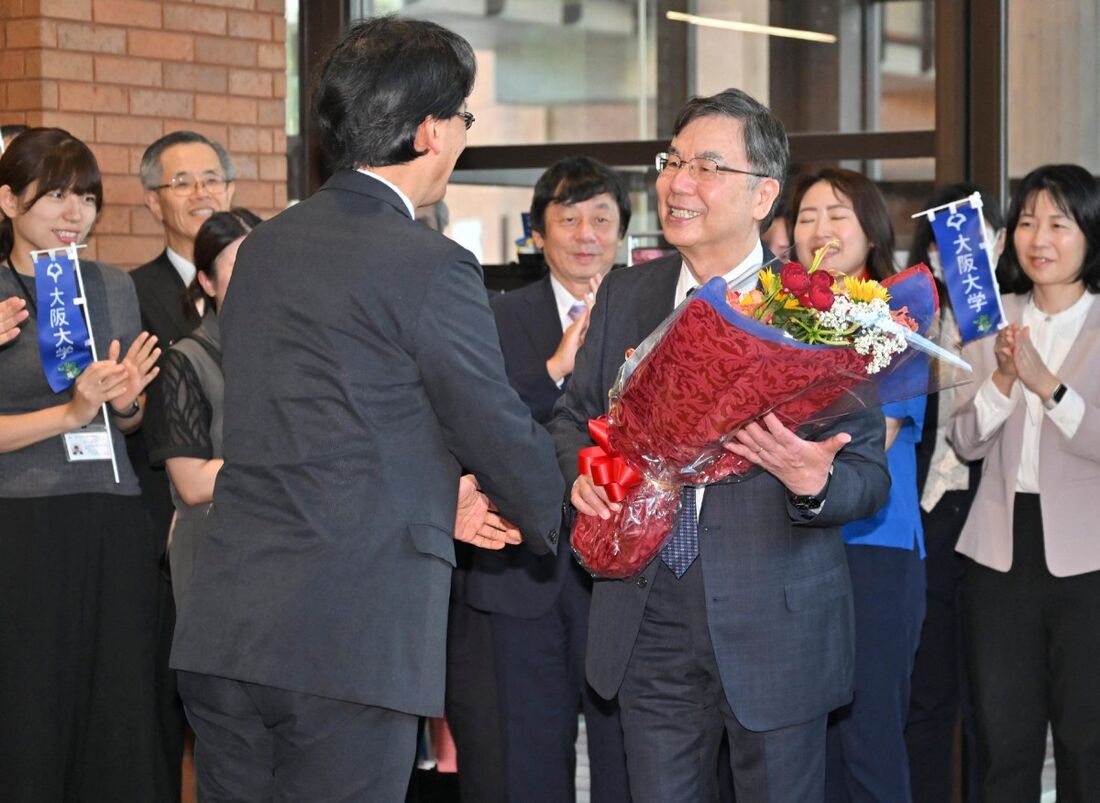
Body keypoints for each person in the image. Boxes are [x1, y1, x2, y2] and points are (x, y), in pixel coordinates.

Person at [170, 17, 565, 801]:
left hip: (226, 628)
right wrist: (560, 507)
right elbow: (486, 419)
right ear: (428, 131)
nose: (462, 135)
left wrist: (430, 489)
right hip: (350, 638)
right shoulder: (429, 263)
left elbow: (309, 422)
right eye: (462, 118)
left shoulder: (268, 247)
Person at [551, 89, 891, 803]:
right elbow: (570, 420)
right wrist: (580, 478)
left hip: (776, 625)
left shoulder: (821, 310)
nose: (678, 183)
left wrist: (813, 481)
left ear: (763, 193)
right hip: (646, 616)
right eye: (672, 161)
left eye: (706, 166)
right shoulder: (624, 295)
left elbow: (867, 477)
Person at [0, 127, 163, 800]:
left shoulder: (111, 284)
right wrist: (67, 415)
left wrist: (124, 404)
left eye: (87, 198)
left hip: (112, 507)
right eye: (56, 196)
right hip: (22, 520)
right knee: (30, 706)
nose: (75, 214)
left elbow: (124, 419)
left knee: (118, 702)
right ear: (8, 201)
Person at [465, 156, 634, 803]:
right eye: (569, 218)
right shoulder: (494, 314)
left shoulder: (650, 310)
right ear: (539, 231)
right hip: (522, 573)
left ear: (621, 230)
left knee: (628, 763)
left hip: (623, 578)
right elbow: (481, 425)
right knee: (527, 766)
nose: (586, 232)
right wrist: (556, 367)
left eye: (601, 217)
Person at [951, 163, 1100, 803]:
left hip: (1089, 557)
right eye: (1028, 221)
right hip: (999, 550)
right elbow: (964, 440)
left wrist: (1049, 385)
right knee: (1004, 739)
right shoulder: (990, 318)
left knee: (1085, 740)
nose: (1039, 237)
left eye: (1059, 223)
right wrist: (1007, 380)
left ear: (1090, 235)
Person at [789, 167, 928, 803]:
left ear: (872, 233)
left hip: (877, 551)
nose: (820, 229)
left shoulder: (902, 321)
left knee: (869, 738)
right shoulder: (774, 323)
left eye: (837, 214)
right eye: (807, 215)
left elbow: (875, 441)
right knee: (801, 746)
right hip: (790, 552)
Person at [905, 182, 1004, 803]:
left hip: (998, 518)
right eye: (944, 241)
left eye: (969, 238)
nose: (956, 254)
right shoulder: (914, 318)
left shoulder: (1009, 310)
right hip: (930, 517)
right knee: (930, 691)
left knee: (995, 701)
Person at [144, 208, 260, 606]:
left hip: (278, 546)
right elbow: (191, 483)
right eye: (238, 264)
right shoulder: (186, 360)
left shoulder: (289, 357)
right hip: (213, 551)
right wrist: (287, 459)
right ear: (207, 281)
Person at [134, 130, 236, 348]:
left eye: (212, 180)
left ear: (229, 192)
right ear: (154, 202)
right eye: (182, 183)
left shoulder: (259, 279)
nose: (201, 193)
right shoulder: (132, 293)